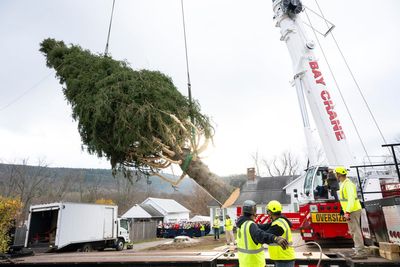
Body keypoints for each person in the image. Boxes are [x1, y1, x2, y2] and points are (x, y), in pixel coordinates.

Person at [236, 200, 289, 267]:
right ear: (254, 211)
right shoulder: (250, 225)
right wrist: (275, 238)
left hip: (244, 263)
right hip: (255, 263)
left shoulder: (242, 224)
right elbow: (261, 235)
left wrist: (271, 224)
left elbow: (260, 227)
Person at [336, 166, 368, 259]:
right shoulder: (344, 183)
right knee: (353, 231)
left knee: (355, 230)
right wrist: (344, 210)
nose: (335, 175)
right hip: (350, 210)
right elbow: (345, 199)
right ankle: (358, 250)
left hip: (353, 210)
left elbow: (351, 199)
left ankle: (361, 252)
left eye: (335, 173)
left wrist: (348, 211)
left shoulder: (348, 184)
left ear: (338, 174)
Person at [265, 200, 295, 267]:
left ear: (271, 212)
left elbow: (266, 237)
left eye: (268, 211)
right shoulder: (279, 221)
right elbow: (264, 226)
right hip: (283, 258)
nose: (268, 213)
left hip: (284, 260)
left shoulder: (278, 225)